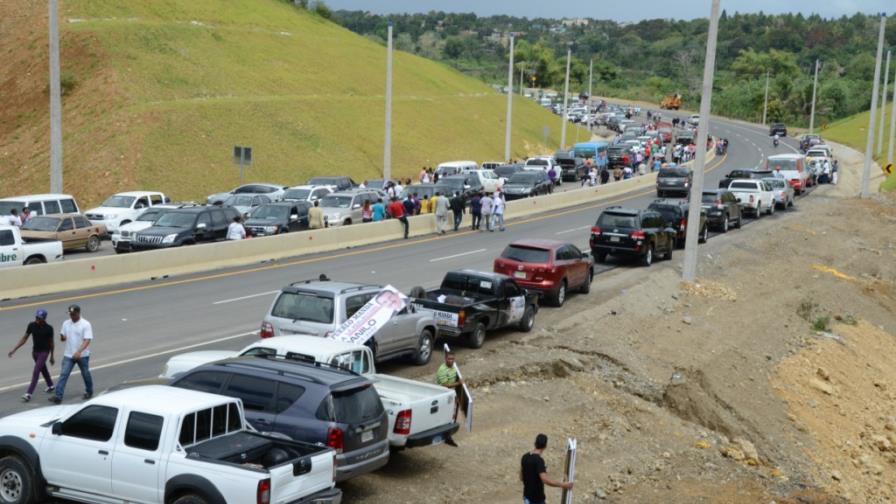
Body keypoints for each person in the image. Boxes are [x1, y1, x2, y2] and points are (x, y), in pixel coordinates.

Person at [8, 309, 55, 402]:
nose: (37, 319)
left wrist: (52, 356)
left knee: (36, 371)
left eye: (39, 318)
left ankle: (28, 393)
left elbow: (51, 343)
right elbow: (24, 338)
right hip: (35, 353)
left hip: (44, 352)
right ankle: (51, 385)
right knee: (43, 369)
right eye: (36, 317)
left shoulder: (49, 328)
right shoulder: (31, 325)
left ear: (44, 318)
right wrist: (14, 349)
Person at [52, 305, 93, 403]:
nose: (71, 316)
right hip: (68, 354)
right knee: (63, 374)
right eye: (70, 314)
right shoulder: (66, 323)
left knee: (85, 374)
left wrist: (79, 352)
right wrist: (62, 337)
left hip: (82, 355)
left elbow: (87, 340)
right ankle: (58, 396)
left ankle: (89, 391)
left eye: (73, 314)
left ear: (78, 313)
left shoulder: (85, 324)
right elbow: (63, 336)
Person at [520, 434, 573, 504]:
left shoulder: (525, 457)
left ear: (535, 443)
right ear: (545, 446)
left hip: (527, 497)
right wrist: (563, 485)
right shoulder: (539, 461)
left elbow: (521, 476)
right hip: (536, 500)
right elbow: (545, 480)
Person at [435, 351, 462, 447]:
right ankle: (442, 435)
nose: (451, 361)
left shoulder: (454, 367)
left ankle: (447, 435)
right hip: (442, 395)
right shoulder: (442, 369)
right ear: (445, 359)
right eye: (449, 359)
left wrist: (457, 394)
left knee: (451, 415)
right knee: (443, 415)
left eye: (452, 359)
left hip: (450, 395)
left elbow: (456, 379)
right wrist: (458, 384)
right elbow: (445, 385)